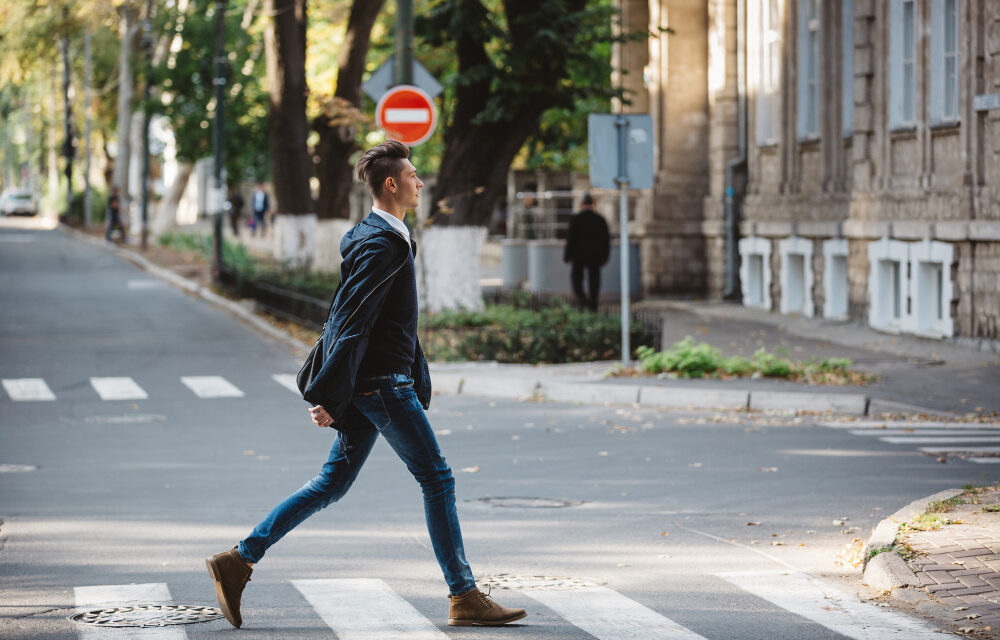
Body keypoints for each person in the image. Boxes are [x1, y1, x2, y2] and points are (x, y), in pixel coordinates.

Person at [206, 141, 526, 630]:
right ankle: (463, 595)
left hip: (373, 382)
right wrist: (330, 394)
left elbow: (355, 318)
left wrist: (335, 391)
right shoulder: (381, 243)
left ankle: (239, 559)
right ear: (392, 184)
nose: (421, 182)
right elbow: (351, 322)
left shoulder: (377, 235)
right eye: (414, 175)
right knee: (437, 479)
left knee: (331, 483)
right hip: (380, 385)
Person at [563, 193, 610, 311]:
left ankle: (582, 299)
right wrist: (605, 257)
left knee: (577, 278)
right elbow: (606, 240)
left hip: (579, 255)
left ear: (582, 204)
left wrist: (567, 256)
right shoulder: (600, 219)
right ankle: (593, 302)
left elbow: (571, 239)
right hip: (595, 256)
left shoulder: (576, 219)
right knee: (594, 280)